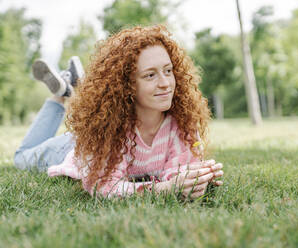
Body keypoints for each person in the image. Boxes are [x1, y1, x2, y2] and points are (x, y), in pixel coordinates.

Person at [14, 25, 223, 199]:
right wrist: (163, 189)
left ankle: (74, 85)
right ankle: (61, 94)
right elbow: (104, 187)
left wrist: (197, 177)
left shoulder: (182, 124)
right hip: (72, 150)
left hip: (90, 141)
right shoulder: (109, 130)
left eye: (168, 71)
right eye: (150, 75)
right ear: (127, 85)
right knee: (21, 157)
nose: (165, 83)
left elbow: (175, 174)